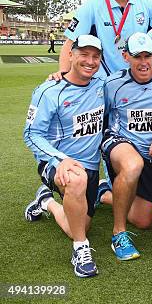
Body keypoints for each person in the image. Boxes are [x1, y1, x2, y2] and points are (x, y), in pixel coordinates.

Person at [24, 35, 105, 278]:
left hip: (90, 167)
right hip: (56, 164)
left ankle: (45, 201)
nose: (90, 61)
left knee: (78, 226)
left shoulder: (101, 85)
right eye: (84, 54)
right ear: (70, 54)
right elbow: (31, 133)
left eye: (95, 56)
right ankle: (80, 250)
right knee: (77, 180)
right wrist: (60, 158)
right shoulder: (48, 90)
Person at [98, 32, 152, 261]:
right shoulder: (112, 84)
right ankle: (119, 234)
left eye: (147, 56)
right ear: (125, 57)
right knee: (132, 164)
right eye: (137, 57)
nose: (143, 62)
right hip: (122, 143)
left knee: (145, 221)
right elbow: (100, 116)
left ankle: (102, 192)